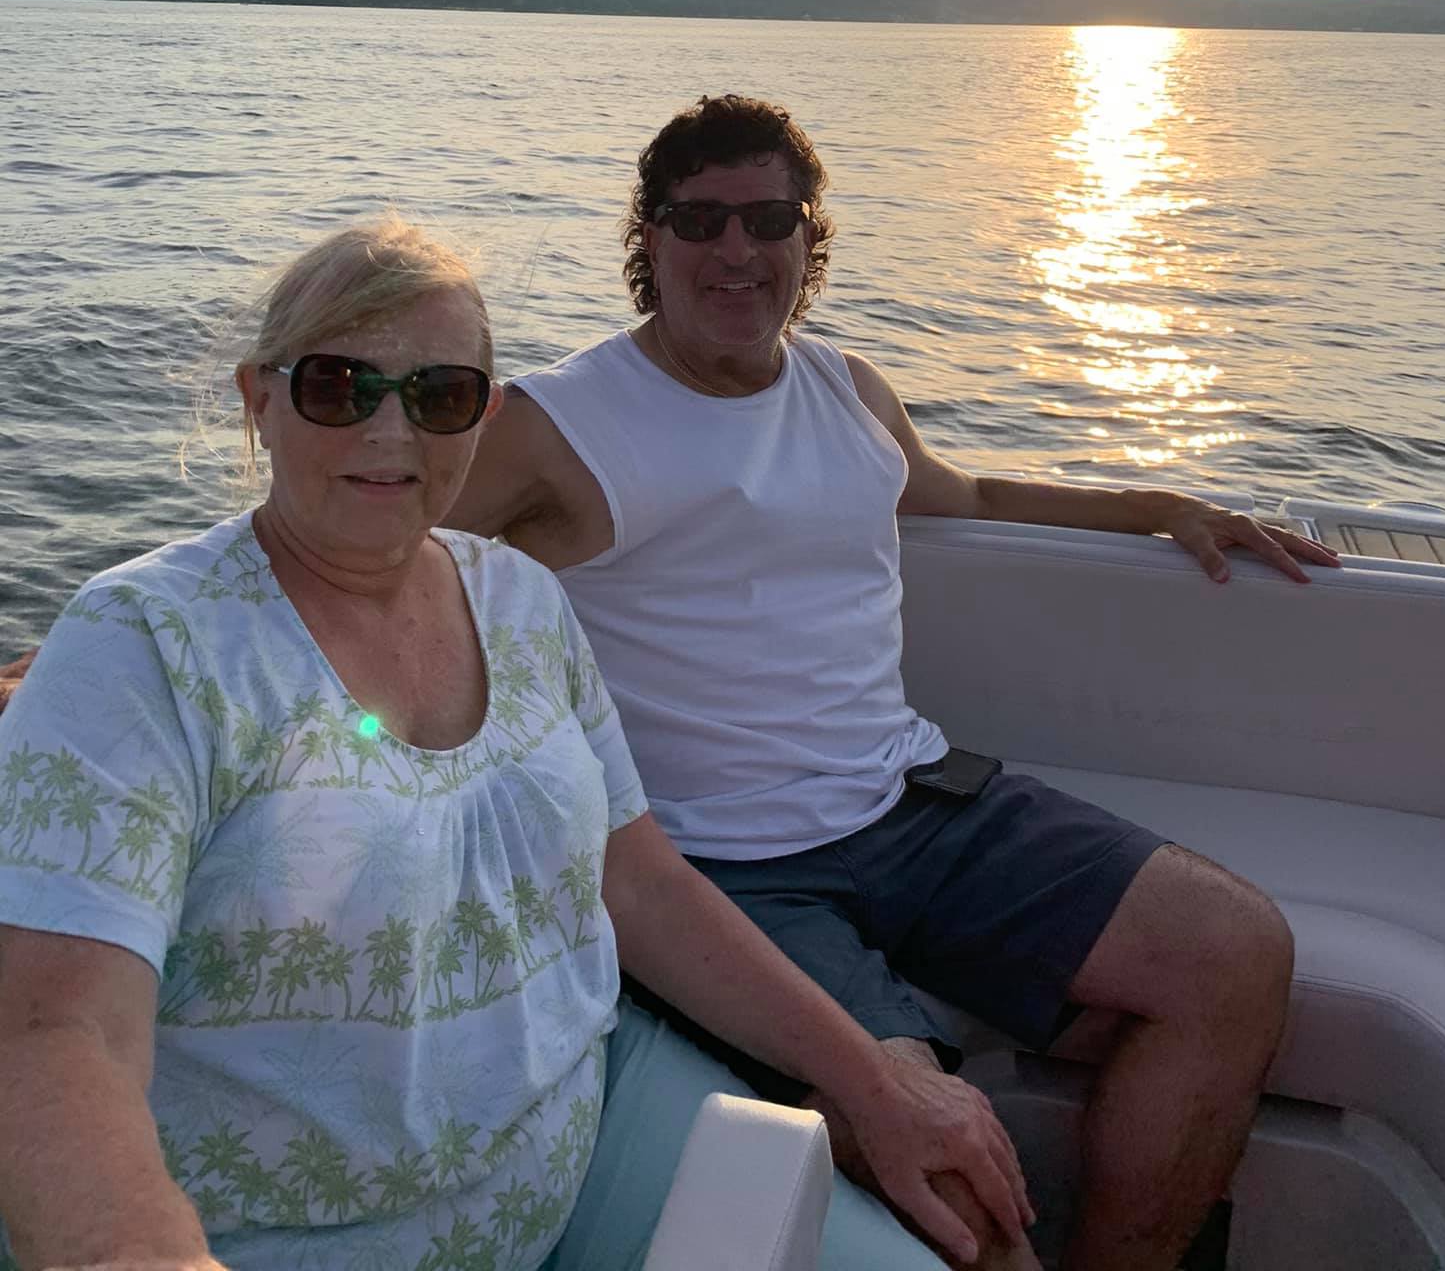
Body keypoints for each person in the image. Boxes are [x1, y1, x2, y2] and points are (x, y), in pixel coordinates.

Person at [0, 217, 1030, 1271]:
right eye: (337, 386)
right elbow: (56, 1031)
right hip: (287, 1225)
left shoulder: (520, 597)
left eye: (439, 394)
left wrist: (873, 1079)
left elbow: (641, 885)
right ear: (258, 399)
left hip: (589, 1121)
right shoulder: (144, 645)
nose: (391, 430)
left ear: (484, 415)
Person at [445, 94, 1342, 1271]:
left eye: (770, 218)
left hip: (913, 802)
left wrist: (1158, 505)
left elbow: (961, 493)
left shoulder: (848, 387)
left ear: (809, 239)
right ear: (648, 239)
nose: (735, 249)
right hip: (722, 868)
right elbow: (375, 560)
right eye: (699, 219)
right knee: (941, 1154)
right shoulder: (555, 423)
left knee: (1235, 949)